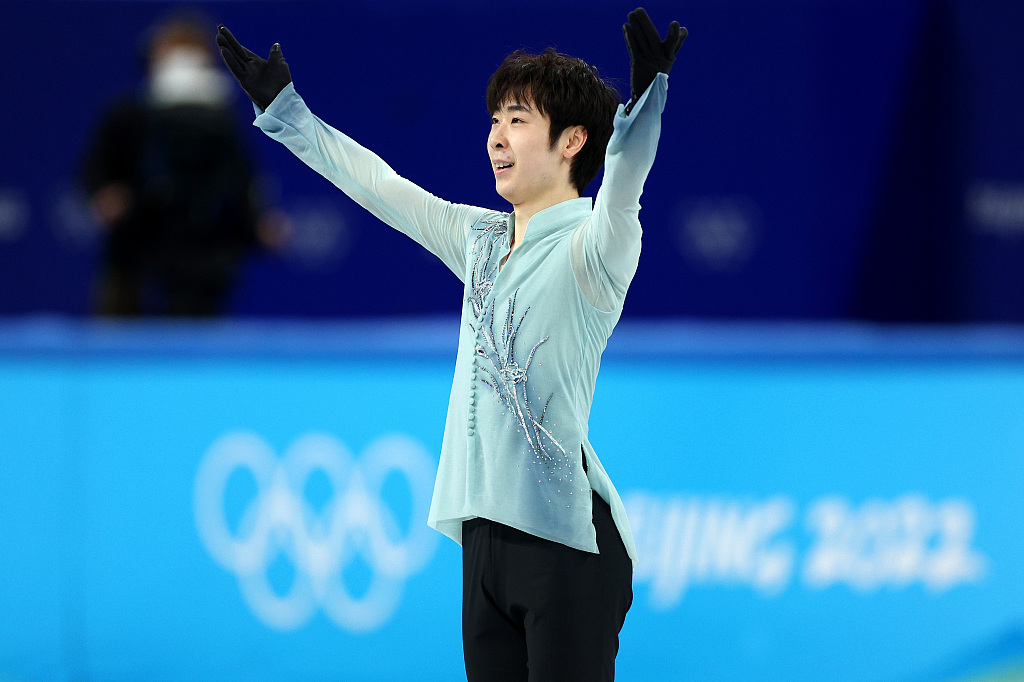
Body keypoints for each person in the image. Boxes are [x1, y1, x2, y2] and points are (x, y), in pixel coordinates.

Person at [216, 8, 685, 680]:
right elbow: (380, 187)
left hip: (568, 545)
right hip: (483, 539)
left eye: (517, 119)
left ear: (572, 140)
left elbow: (626, 182)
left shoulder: (595, 248)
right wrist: (286, 111)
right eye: (494, 120)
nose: (496, 136)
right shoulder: (480, 239)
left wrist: (644, 101)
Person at [82, 13, 281, 317]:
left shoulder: (220, 122)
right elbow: (95, 168)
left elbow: (240, 179)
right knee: (121, 321)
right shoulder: (126, 115)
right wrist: (106, 194)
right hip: (135, 248)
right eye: (173, 55)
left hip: (201, 250)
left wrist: (258, 221)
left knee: (198, 326)